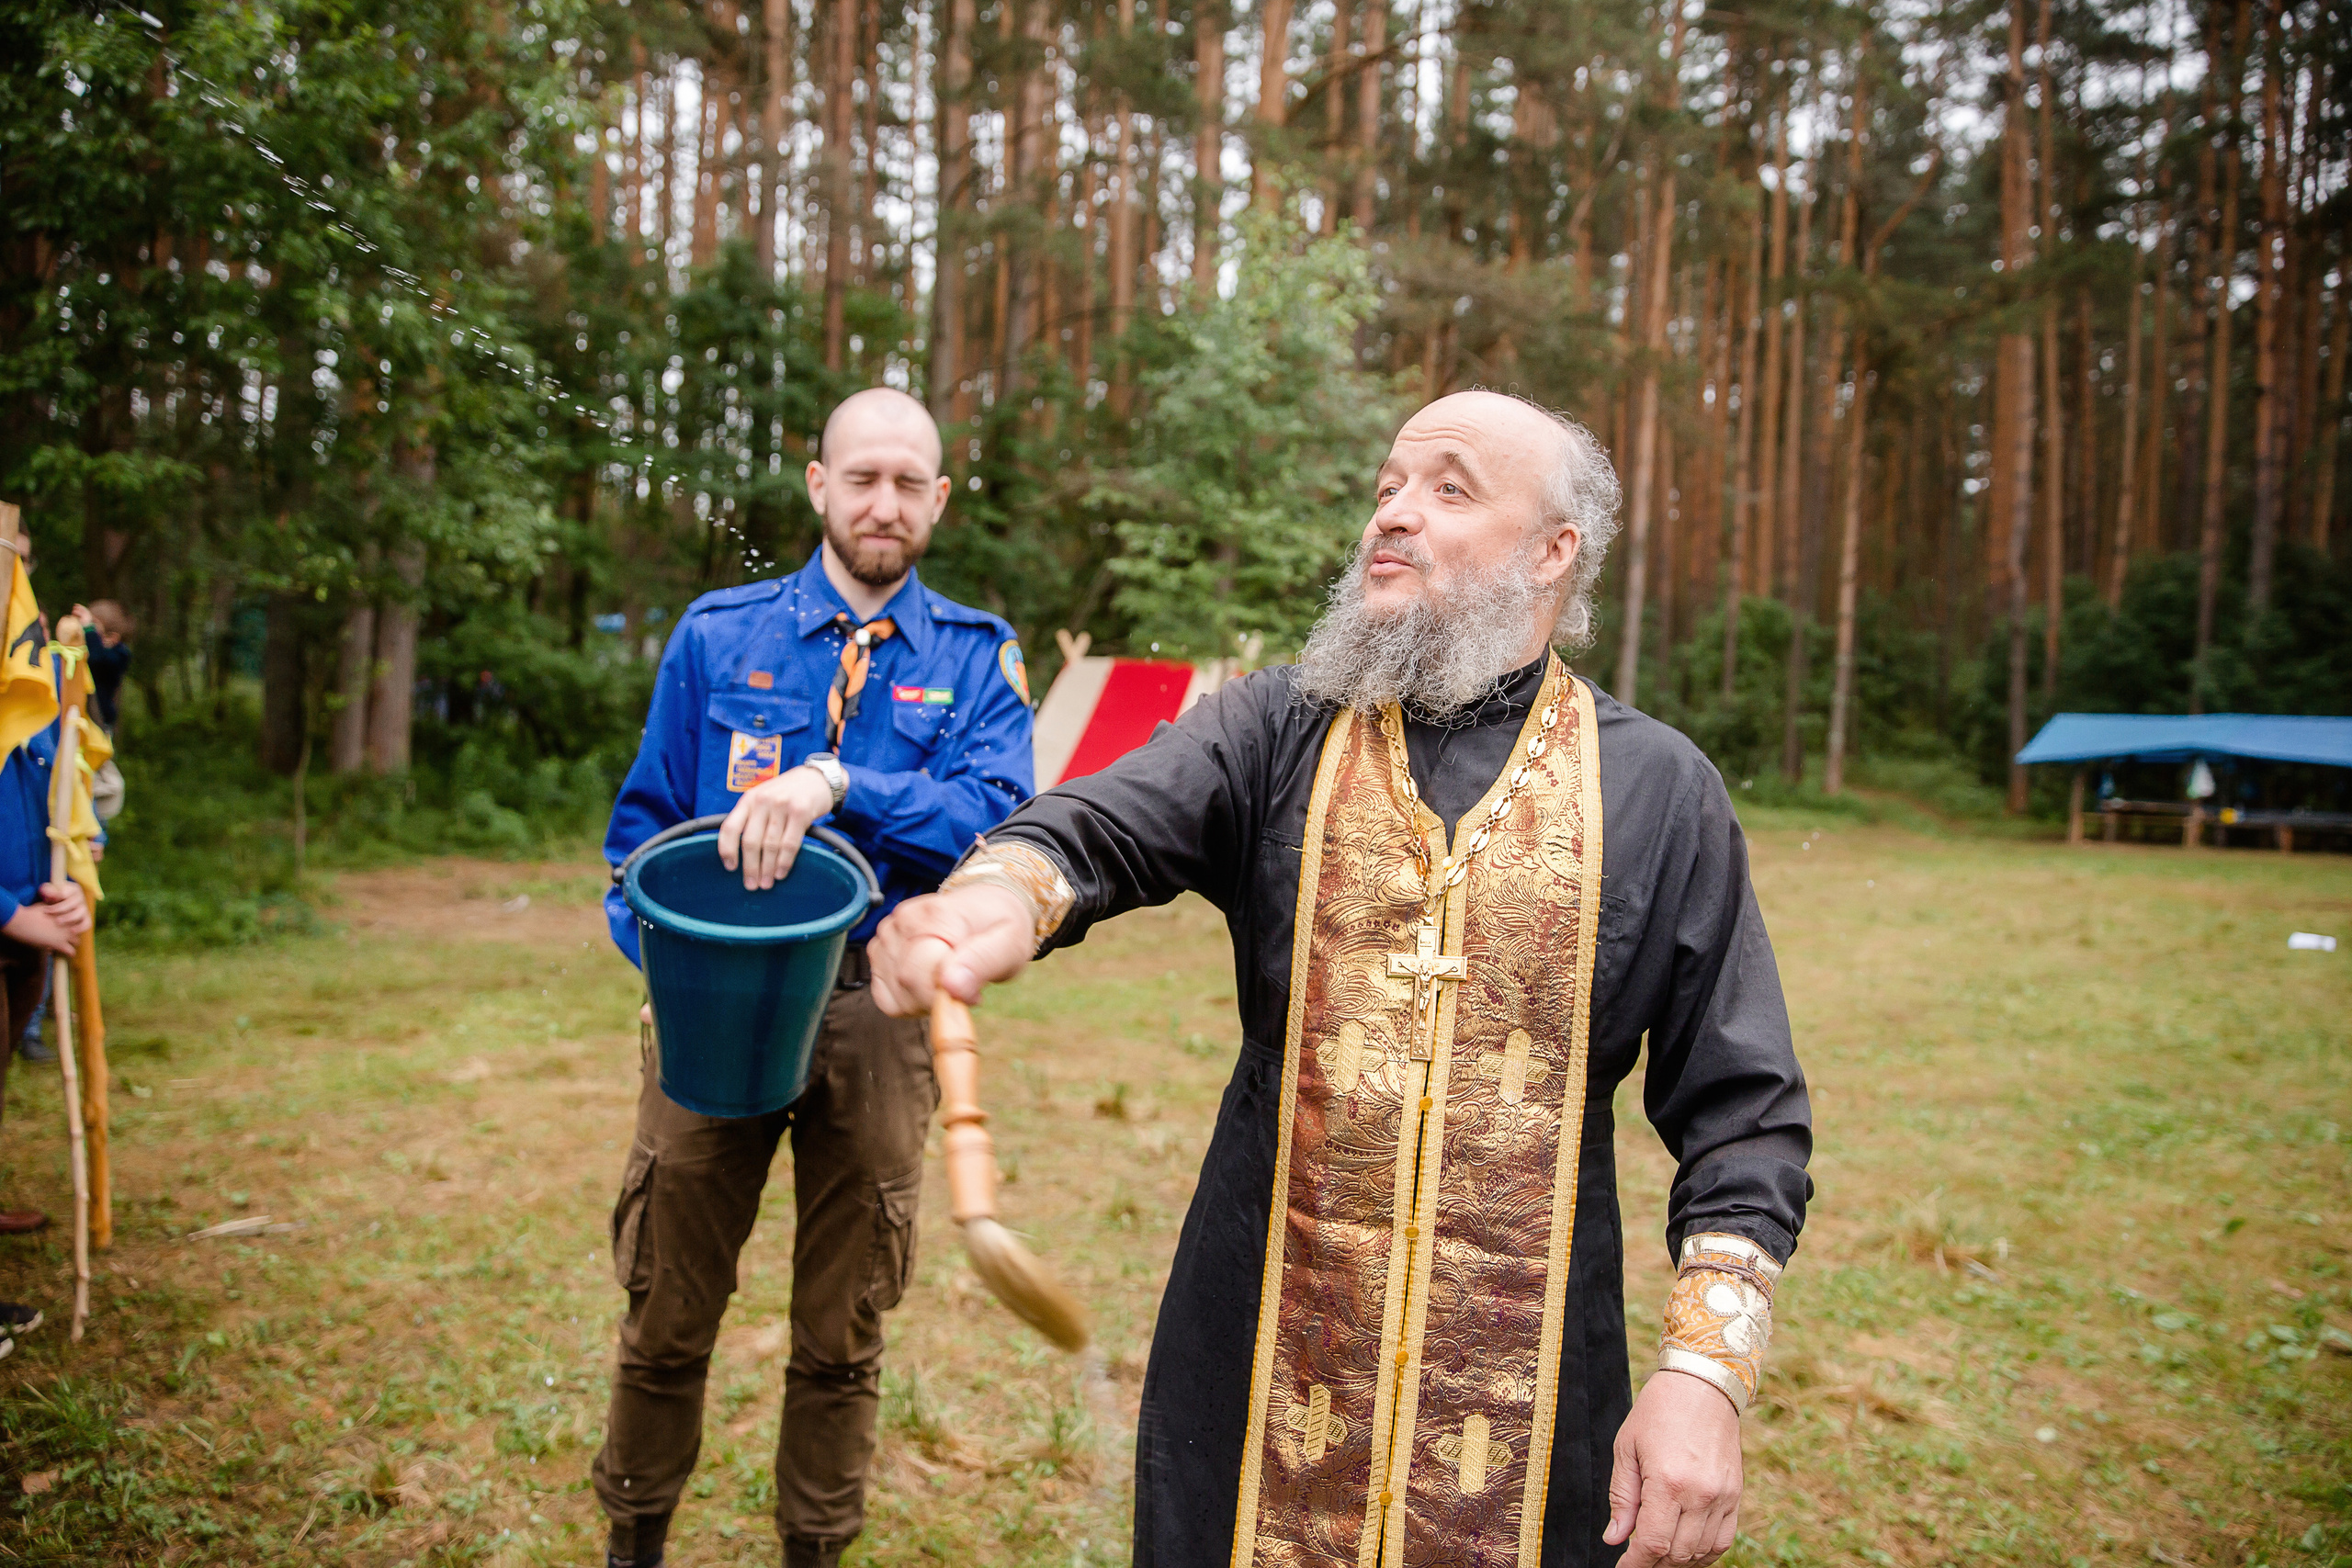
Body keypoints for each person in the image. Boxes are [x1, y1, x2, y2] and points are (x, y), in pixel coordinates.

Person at [869, 390, 1814, 1568]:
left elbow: (1745, 1117)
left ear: (1552, 553)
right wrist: (992, 902)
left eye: (1448, 488)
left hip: (1534, 1412)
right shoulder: (1279, 729)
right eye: (1386, 489)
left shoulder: (1662, 792)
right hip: (1256, 1366)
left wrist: (1704, 1377)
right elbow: (1091, 831)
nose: (1394, 516)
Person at [593, 388, 1037, 1568]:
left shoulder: (977, 658)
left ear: (938, 500)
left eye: (908, 483)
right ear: (816, 485)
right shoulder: (715, 637)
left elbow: (994, 816)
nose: (882, 503)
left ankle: (814, 1551)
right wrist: (662, 962)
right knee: (667, 1311)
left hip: (879, 1012)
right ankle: (634, 1542)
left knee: (843, 1329)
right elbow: (635, 842)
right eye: (862, 478)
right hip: (717, 1012)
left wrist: (837, 781)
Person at [0, 716, 93, 1241]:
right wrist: (12, 915)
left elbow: (56, 801)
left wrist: (68, 885)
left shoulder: (30, 696)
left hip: (29, 930)